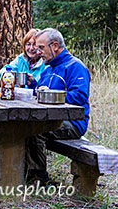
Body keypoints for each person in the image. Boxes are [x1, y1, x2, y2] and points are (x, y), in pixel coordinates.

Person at [26, 28, 91, 186]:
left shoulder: (75, 66)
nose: (38, 51)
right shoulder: (48, 68)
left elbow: (79, 96)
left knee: (35, 130)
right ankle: (24, 172)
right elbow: (41, 93)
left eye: (41, 47)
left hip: (73, 122)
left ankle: (39, 178)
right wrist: (33, 86)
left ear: (55, 45)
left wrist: (53, 94)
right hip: (50, 118)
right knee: (20, 125)